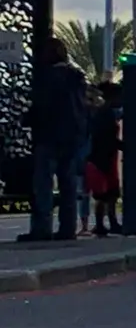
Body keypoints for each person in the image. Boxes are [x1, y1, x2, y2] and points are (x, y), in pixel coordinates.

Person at [25, 37, 93, 242]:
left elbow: (42, 107)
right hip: (72, 137)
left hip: (49, 135)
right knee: (68, 184)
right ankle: (67, 228)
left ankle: (42, 228)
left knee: (44, 184)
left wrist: (29, 120)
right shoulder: (77, 77)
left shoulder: (48, 77)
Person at [85, 79, 123, 238]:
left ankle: (109, 223)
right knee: (102, 194)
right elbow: (105, 137)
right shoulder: (105, 114)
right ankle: (102, 224)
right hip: (100, 158)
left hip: (105, 157)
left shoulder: (106, 113)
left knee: (110, 193)